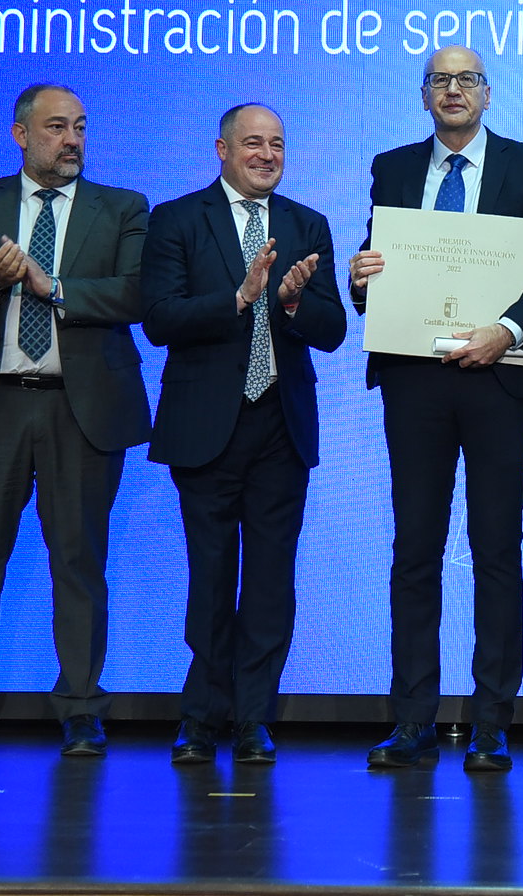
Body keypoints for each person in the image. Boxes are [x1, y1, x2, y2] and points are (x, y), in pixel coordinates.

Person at [349, 45, 523, 772]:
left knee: (496, 549)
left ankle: (490, 723)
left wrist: (506, 329)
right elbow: (377, 263)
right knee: (414, 550)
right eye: (440, 80)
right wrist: (362, 277)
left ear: (487, 93)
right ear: (424, 96)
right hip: (414, 380)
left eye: (467, 79)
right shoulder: (391, 167)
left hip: (497, 379)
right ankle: (411, 719)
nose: (454, 90)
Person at [0, 83, 151, 761]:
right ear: (21, 135)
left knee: (79, 562)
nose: (72, 139)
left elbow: (135, 294)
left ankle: (81, 709)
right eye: (56, 127)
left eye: (80, 126)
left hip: (82, 409)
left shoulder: (123, 206)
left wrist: (53, 287)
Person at [141, 103, 346, 767]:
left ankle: (255, 717)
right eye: (253, 143)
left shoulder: (306, 223)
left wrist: (291, 300)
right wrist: (239, 296)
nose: (267, 154)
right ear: (222, 149)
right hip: (205, 426)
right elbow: (159, 318)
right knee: (210, 577)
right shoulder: (177, 218)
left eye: (277, 144)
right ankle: (202, 716)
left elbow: (332, 330)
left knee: (269, 581)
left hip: (281, 426)